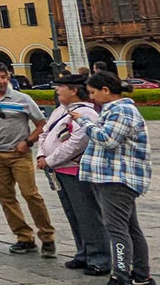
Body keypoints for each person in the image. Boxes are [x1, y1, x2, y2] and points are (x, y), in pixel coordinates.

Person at [73, 71, 154, 285]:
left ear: (106, 90)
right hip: (112, 176)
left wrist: (83, 122)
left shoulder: (122, 110)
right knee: (130, 227)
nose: (91, 98)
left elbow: (108, 139)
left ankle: (121, 275)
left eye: (92, 92)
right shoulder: (115, 110)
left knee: (116, 228)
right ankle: (141, 275)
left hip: (117, 178)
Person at [0, 61, 55, 257]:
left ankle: (47, 236)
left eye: (4, 77)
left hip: (19, 154)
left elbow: (42, 124)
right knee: (6, 197)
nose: (1, 81)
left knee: (30, 194)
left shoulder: (22, 99)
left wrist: (28, 141)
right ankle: (24, 237)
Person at [38, 75, 110, 276]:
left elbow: (79, 141)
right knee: (74, 214)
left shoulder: (86, 113)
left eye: (60, 87)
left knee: (88, 215)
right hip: (59, 170)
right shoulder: (61, 110)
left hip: (76, 170)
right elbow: (44, 133)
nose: (57, 90)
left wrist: (49, 160)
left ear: (73, 90)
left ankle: (100, 258)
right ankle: (84, 253)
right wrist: (41, 154)